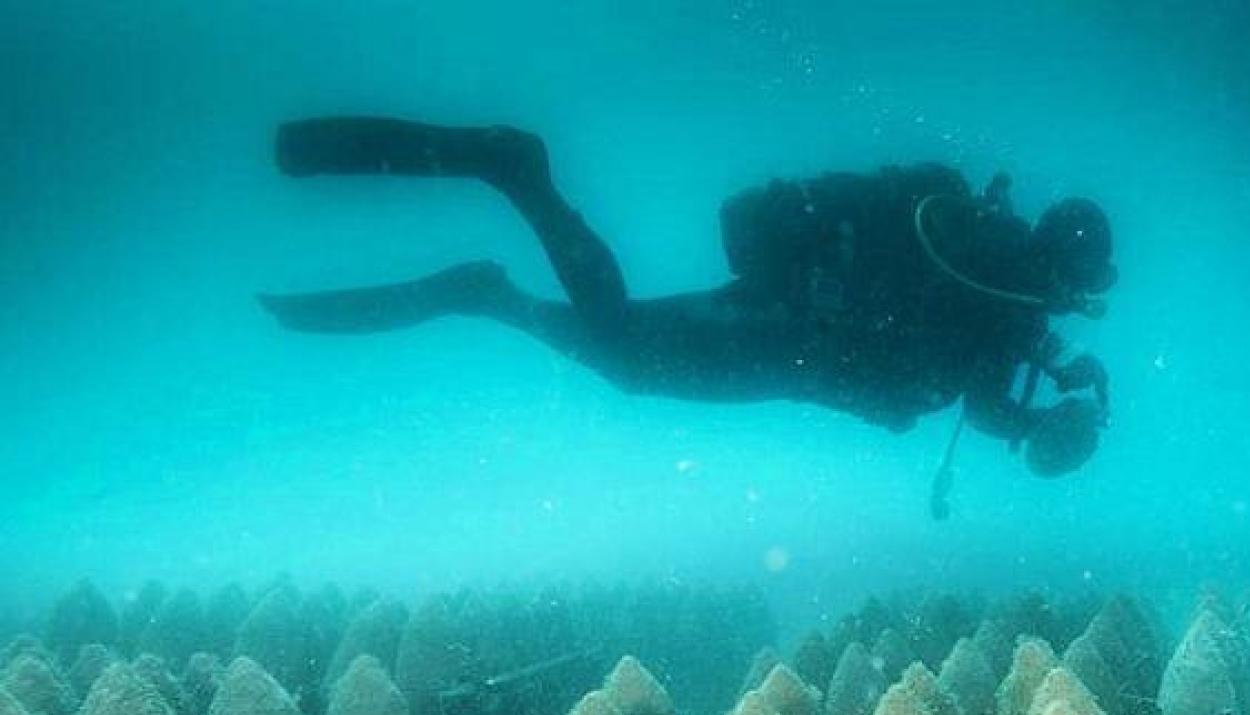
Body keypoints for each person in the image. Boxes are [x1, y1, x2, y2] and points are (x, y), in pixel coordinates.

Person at [261, 117, 1118, 483]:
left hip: (792, 344)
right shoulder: (999, 280)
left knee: (624, 350)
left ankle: (489, 286)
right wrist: (1045, 424)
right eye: (1088, 290)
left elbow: (973, 386)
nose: (1083, 305)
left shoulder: (1003, 278)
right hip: (786, 339)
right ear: (1070, 269)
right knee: (627, 353)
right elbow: (971, 382)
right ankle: (518, 181)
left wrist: (1047, 405)